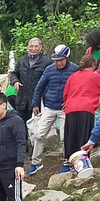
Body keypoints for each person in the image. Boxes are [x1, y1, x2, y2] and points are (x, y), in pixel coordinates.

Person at [29, 44, 73, 173]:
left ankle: (68, 162)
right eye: (56, 60)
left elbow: (78, 88)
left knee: (65, 137)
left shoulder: (74, 70)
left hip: (65, 108)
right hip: (49, 106)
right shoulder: (49, 69)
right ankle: (36, 162)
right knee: (39, 134)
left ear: (67, 58)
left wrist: (70, 101)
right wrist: (35, 103)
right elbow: (40, 86)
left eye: (61, 60)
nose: (58, 63)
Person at [61, 55, 100, 165]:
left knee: (71, 134)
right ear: (93, 65)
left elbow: (65, 94)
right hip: (87, 108)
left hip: (71, 107)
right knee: (84, 135)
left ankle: (69, 159)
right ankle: (83, 160)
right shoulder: (96, 77)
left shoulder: (72, 77)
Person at [10, 37, 47, 117]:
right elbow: (14, 74)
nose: (33, 49)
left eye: (36, 46)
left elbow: (49, 82)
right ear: (27, 47)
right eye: (31, 46)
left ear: (40, 47)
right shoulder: (22, 60)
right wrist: (15, 81)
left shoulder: (46, 62)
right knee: (20, 126)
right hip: (21, 101)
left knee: (36, 127)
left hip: (38, 102)